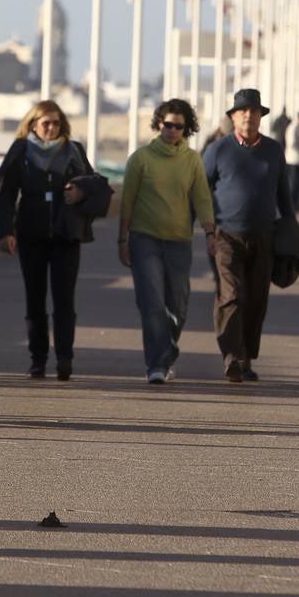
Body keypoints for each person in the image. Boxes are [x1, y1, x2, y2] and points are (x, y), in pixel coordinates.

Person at [0, 100, 106, 381]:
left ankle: (65, 358)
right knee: (35, 300)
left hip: (65, 235)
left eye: (56, 123)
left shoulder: (73, 150)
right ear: (33, 124)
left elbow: (93, 181)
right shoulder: (21, 151)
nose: (52, 128)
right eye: (46, 123)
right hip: (31, 233)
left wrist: (80, 190)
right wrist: (5, 231)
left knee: (64, 299)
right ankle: (38, 359)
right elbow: (6, 193)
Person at [202, 88, 295, 383]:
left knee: (256, 300)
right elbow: (201, 193)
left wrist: (292, 232)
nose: (248, 117)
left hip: (264, 236)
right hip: (225, 236)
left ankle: (246, 358)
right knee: (231, 296)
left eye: (254, 112)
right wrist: (206, 231)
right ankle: (231, 356)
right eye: (242, 112)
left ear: (260, 117)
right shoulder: (218, 150)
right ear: (233, 117)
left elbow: (284, 196)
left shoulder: (273, 150)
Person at [119, 99, 215, 384]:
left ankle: (167, 350)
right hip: (144, 239)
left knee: (178, 307)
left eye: (179, 126)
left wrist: (210, 233)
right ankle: (155, 365)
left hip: (178, 242)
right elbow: (127, 201)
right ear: (159, 123)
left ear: (187, 129)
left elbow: (202, 198)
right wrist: (122, 239)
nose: (172, 130)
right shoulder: (141, 158)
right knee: (152, 304)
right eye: (168, 125)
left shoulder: (192, 160)